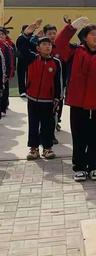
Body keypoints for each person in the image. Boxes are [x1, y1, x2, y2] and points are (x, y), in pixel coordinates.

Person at [55, 18, 96, 182]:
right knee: (79, 137)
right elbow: (59, 43)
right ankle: (80, 167)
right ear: (84, 37)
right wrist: (71, 27)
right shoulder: (75, 52)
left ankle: (95, 167)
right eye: (93, 34)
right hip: (78, 104)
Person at [17, 19, 62, 161]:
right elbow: (21, 45)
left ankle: (47, 148)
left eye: (49, 44)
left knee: (48, 125)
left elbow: (58, 82)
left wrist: (57, 98)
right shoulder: (31, 58)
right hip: (33, 99)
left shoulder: (56, 63)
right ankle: (34, 149)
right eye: (44, 44)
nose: (47, 47)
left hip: (48, 100)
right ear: (38, 47)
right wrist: (27, 33)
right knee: (33, 124)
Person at [0, 28, 16, 117]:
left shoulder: (7, 46)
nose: (0, 36)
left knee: (4, 91)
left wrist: (9, 73)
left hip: (4, 74)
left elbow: (10, 61)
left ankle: (3, 108)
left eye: (2, 34)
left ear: (5, 36)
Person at [16, 25, 29, 99]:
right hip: (21, 59)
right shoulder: (20, 37)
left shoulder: (31, 37)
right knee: (21, 75)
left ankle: (28, 90)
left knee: (29, 76)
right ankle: (22, 91)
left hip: (29, 59)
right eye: (27, 29)